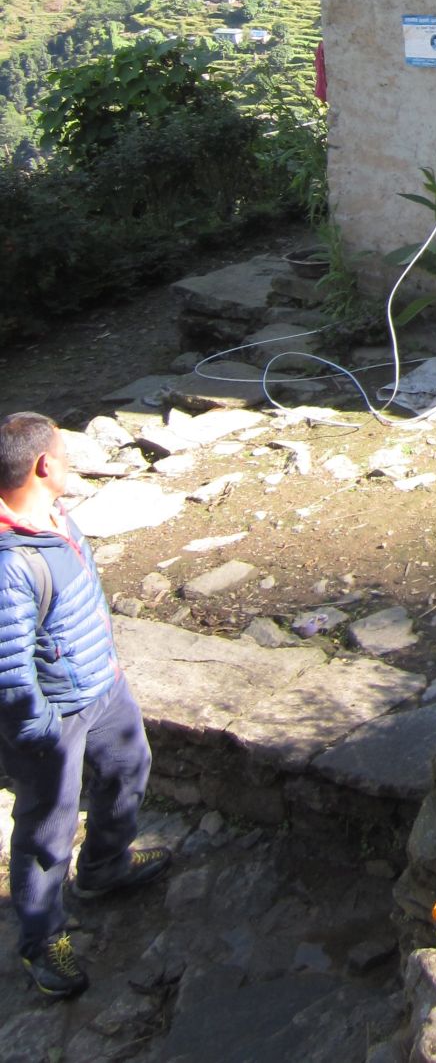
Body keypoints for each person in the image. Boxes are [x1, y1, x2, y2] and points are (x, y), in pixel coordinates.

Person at [0, 410, 170, 999]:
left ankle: (104, 868)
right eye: (66, 455)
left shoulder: (52, 514)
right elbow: (8, 671)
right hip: (56, 717)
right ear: (44, 466)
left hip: (103, 687)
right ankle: (42, 940)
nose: (71, 462)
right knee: (48, 828)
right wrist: (44, 732)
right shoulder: (8, 563)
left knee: (129, 767)